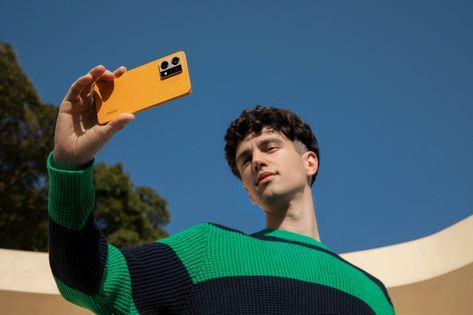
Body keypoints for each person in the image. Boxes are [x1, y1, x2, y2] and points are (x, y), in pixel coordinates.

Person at [48, 65, 395, 314]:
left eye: (270, 147)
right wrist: (68, 166)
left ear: (310, 163)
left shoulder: (372, 295)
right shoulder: (206, 250)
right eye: (245, 160)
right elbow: (89, 280)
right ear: (247, 191)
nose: (256, 161)